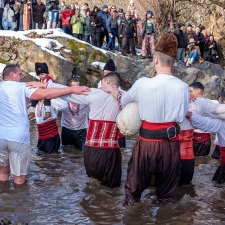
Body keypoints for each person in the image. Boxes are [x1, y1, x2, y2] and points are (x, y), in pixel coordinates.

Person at [0, 64, 89, 184]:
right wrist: (71, 89)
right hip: (18, 138)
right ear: (12, 74)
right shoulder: (22, 87)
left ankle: (2, 199)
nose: (22, 76)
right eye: (20, 74)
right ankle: (19, 201)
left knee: (2, 173)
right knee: (19, 178)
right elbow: (46, 94)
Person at [118, 34, 190, 205]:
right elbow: (183, 113)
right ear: (174, 62)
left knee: (132, 192)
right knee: (166, 196)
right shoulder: (183, 87)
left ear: (156, 60)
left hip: (146, 144)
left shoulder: (143, 83)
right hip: (170, 145)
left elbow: (124, 101)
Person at [57, 72, 123, 187]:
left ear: (107, 82)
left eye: (102, 82)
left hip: (91, 150)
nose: (100, 86)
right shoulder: (124, 96)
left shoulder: (94, 93)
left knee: (92, 185)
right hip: (110, 150)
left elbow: (64, 93)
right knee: (111, 189)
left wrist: (43, 86)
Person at [51, 78, 90, 151]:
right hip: (67, 130)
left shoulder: (85, 98)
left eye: (79, 87)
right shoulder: (63, 99)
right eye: (75, 88)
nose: (78, 89)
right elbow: (55, 104)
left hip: (81, 131)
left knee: (83, 153)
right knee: (66, 153)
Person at [188, 82, 212, 157]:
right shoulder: (211, 103)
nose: (189, 93)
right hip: (198, 138)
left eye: (190, 91)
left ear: (198, 91)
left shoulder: (210, 103)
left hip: (202, 138)